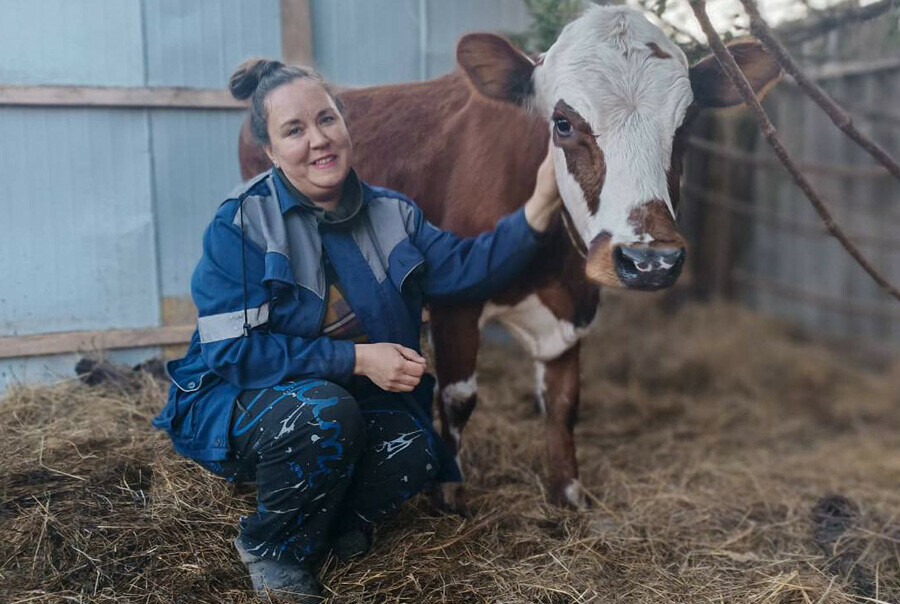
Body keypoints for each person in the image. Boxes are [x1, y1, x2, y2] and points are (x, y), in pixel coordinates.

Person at [152, 58, 560, 603]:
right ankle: (272, 547)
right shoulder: (242, 224)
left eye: (326, 120)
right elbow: (235, 354)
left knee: (419, 450)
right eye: (294, 130)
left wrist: (537, 206)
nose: (318, 140)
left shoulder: (394, 213)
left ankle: (322, 519)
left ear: (346, 125)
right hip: (237, 400)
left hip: (340, 402)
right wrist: (360, 361)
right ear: (270, 151)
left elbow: (466, 267)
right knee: (327, 415)